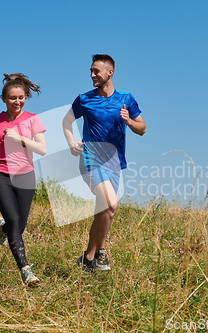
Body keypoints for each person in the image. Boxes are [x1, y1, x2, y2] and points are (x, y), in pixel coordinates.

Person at [62, 54, 146, 271]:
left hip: (115, 163)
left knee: (104, 211)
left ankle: (87, 259)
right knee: (111, 205)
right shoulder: (84, 99)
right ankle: (101, 253)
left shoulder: (126, 98)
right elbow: (67, 121)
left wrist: (128, 120)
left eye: (96, 71)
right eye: (91, 71)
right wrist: (71, 142)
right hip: (91, 160)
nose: (92, 75)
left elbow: (142, 129)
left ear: (110, 72)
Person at [0, 73, 47, 285]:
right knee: (14, 221)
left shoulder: (32, 119)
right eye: (12, 98)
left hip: (25, 176)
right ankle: (26, 271)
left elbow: (42, 149)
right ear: (3, 98)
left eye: (21, 97)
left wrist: (20, 138)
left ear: (25, 98)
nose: (17, 101)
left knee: (19, 226)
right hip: (1, 174)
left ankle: (2, 227)